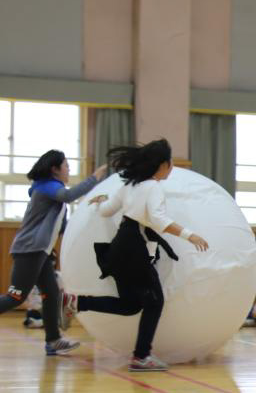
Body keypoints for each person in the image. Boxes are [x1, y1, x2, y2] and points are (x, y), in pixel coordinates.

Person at [62, 140, 209, 371]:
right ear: (163, 164)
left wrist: (100, 201)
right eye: (170, 162)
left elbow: (106, 211)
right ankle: (141, 356)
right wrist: (190, 235)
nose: (171, 167)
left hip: (121, 245)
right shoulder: (153, 187)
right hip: (134, 247)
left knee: (130, 305)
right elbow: (159, 220)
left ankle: (77, 302)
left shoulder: (129, 185)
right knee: (155, 301)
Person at [0, 150, 107, 355]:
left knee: (51, 294)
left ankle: (53, 340)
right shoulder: (47, 186)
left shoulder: (55, 195)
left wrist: (91, 208)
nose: (69, 169)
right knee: (15, 296)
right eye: (66, 166)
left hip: (40, 252)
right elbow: (69, 196)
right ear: (55, 169)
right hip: (29, 249)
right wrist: (94, 178)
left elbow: (63, 228)